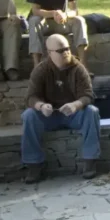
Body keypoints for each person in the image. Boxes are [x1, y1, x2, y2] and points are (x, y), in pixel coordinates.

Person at [21, 34, 101, 183]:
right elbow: (30, 97)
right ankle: (34, 165)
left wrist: (75, 105)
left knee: (92, 112)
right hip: (49, 115)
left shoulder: (78, 68)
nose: (66, 53)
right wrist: (41, 106)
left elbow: (88, 96)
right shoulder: (41, 70)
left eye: (67, 49)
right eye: (60, 50)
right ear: (49, 53)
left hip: (73, 114)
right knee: (29, 115)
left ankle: (90, 161)